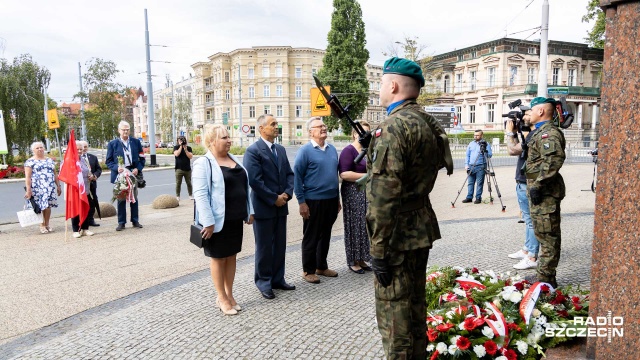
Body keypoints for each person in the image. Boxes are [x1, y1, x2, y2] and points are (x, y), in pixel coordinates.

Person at [366, 57, 451, 359]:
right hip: (420, 226)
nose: (379, 90)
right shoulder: (428, 122)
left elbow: (383, 197)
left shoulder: (391, 128)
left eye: (381, 84)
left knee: (394, 317)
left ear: (392, 85)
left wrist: (377, 249)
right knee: (415, 307)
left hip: (397, 235)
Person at [193, 124, 254, 315]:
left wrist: (249, 210)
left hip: (235, 218)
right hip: (216, 222)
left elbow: (246, 188)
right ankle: (221, 297)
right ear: (211, 142)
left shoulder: (233, 159)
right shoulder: (204, 163)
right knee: (218, 258)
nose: (229, 140)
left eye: (229, 137)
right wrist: (208, 221)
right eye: (224, 138)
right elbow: (201, 195)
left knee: (232, 256)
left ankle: (229, 294)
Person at [243, 114, 296, 300]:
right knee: (264, 247)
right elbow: (254, 181)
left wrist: (287, 194)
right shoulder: (253, 151)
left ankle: (277, 278)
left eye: (276, 124)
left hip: (281, 206)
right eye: (272, 124)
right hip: (264, 207)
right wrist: (274, 198)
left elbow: (290, 175)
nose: (276, 126)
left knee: (280, 245)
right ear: (261, 129)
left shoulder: (280, 150)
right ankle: (264, 282)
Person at [293, 117, 341, 284]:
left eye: (324, 125)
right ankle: (308, 270)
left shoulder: (332, 149)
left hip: (331, 199)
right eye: (319, 126)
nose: (323, 128)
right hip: (313, 201)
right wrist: (301, 202)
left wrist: (338, 199)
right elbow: (297, 177)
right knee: (311, 236)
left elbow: (334, 176)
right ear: (310, 132)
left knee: (325, 235)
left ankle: (321, 266)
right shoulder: (305, 151)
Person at [525, 97, 566, 288]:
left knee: (548, 235)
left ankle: (545, 277)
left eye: (531, 110)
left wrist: (537, 184)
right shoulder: (539, 132)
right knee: (542, 233)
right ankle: (545, 275)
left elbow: (553, 161)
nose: (529, 114)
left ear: (541, 111)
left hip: (545, 192)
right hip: (540, 192)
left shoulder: (548, 134)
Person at [505, 107, 539, 270]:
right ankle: (527, 250)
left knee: (531, 221)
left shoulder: (535, 134)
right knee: (527, 219)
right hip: (523, 180)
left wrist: (509, 132)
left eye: (527, 113)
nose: (525, 116)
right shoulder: (530, 133)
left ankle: (532, 255)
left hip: (528, 182)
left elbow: (512, 150)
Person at [338, 120, 372, 274]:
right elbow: (344, 174)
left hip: (366, 191)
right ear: (353, 134)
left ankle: (362, 258)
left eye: (366, 132)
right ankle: (353, 260)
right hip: (353, 192)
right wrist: (368, 175)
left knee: (364, 226)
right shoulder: (348, 151)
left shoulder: (368, 150)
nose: (363, 135)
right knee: (354, 225)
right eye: (360, 132)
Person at [106, 121, 145, 231]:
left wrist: (138, 168)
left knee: (134, 198)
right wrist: (116, 168)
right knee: (121, 199)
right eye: (123, 129)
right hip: (120, 175)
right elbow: (108, 161)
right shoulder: (113, 144)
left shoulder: (136, 142)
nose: (126, 131)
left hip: (133, 173)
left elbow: (142, 158)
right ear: (119, 130)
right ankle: (121, 222)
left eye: (127, 129)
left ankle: (135, 220)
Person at [23, 141, 61, 234]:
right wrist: (28, 190)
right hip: (38, 187)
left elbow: (55, 174)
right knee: (40, 206)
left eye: (41, 147)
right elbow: (28, 177)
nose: (40, 149)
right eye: (37, 148)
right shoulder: (30, 161)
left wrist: (58, 186)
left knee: (48, 206)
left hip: (49, 187)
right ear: (33, 150)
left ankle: (47, 224)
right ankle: (41, 225)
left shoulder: (49, 160)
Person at [69, 141, 95, 238]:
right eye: (77, 149)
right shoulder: (69, 161)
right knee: (76, 209)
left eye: (81, 149)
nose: (79, 151)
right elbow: (66, 174)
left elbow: (87, 171)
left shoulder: (83, 159)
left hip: (85, 189)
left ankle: (85, 228)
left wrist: (91, 176)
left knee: (85, 208)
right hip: (75, 189)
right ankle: (76, 230)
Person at [463, 129, 493, 204]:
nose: (475, 136)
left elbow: (490, 155)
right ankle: (469, 197)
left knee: (479, 183)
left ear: (481, 135)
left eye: (477, 135)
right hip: (471, 166)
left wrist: (484, 151)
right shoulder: (471, 144)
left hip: (481, 166)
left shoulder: (486, 144)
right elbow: (467, 155)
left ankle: (478, 198)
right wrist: (466, 165)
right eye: (474, 135)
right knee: (470, 183)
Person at [81, 141, 102, 227]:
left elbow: (98, 169)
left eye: (85, 147)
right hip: (82, 186)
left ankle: (91, 219)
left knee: (92, 202)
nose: (84, 149)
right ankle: (82, 221)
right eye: (82, 147)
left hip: (92, 184)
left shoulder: (93, 157)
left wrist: (94, 176)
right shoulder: (76, 159)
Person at [173, 135, 193, 201]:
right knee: (178, 183)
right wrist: (181, 147)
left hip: (187, 169)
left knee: (189, 183)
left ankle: (190, 195)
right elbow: (176, 154)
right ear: (178, 141)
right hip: (179, 168)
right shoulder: (176, 147)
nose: (181, 142)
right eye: (179, 140)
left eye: (182, 140)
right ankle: (178, 196)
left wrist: (186, 150)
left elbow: (190, 156)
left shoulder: (189, 148)